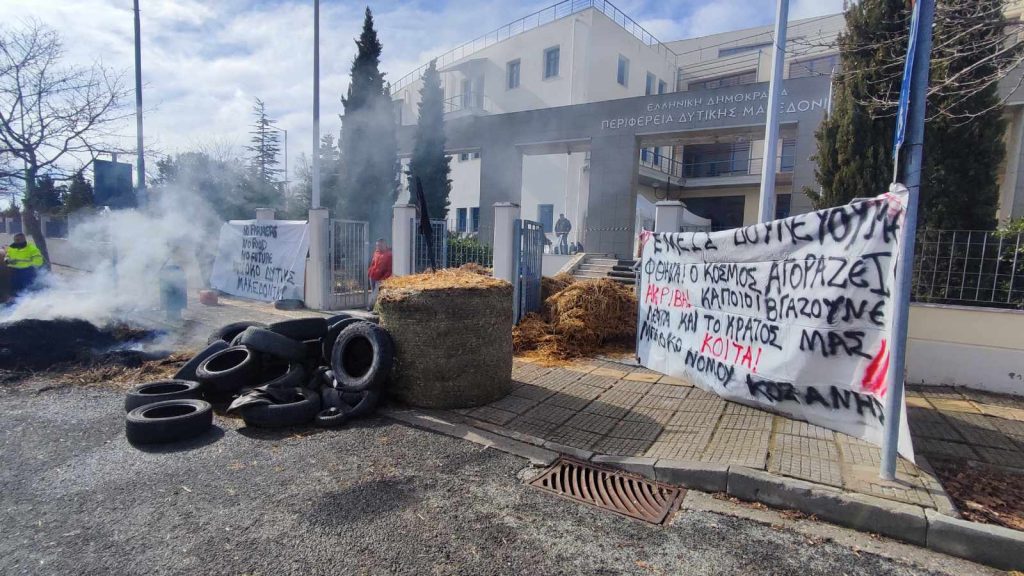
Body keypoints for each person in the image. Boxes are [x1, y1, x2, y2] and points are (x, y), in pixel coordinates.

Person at [5, 233, 44, 298]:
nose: (16, 242)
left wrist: (27, 265)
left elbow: (39, 261)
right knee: (14, 289)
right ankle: (14, 301)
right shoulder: (11, 247)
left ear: (23, 239)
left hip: (27, 271)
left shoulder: (32, 248)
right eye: (15, 240)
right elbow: (7, 256)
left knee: (26, 290)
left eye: (18, 240)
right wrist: (8, 261)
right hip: (14, 271)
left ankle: (27, 301)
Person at [367, 238, 392, 311]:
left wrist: (383, 279)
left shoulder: (389, 255)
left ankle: (370, 307)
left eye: (380, 245)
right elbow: (373, 263)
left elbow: (389, 270)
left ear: (385, 245)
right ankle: (375, 308)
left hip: (380, 278)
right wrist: (369, 271)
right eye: (377, 245)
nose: (378, 247)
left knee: (375, 294)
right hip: (372, 276)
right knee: (374, 293)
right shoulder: (376, 252)